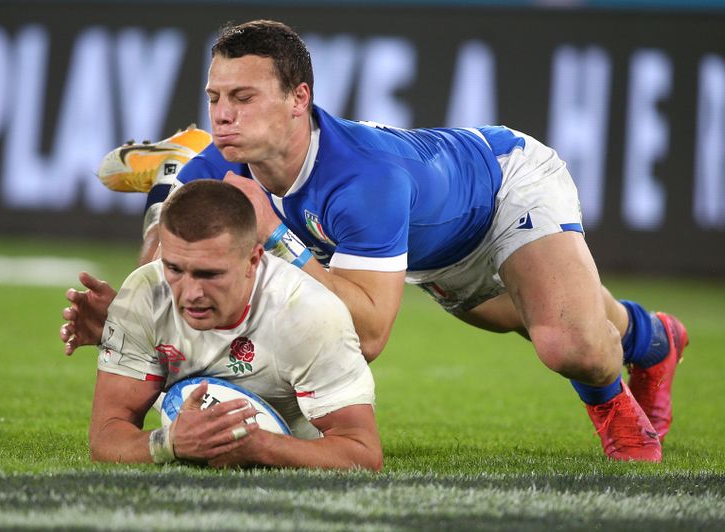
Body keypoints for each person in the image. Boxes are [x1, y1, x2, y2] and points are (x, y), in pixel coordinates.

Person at [64, 19, 688, 462]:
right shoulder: (218, 163)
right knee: (539, 315)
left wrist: (276, 232)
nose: (223, 115)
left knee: (566, 341)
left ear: (298, 100)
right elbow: (166, 269)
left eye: (244, 97)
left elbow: (366, 336)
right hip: (427, 249)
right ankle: (655, 339)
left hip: (503, 188)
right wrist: (124, 314)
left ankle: (616, 415)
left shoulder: (364, 180)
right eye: (216, 99)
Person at [81, 179, 381, 470]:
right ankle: (164, 190)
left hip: (295, 435)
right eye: (174, 268)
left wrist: (262, 445)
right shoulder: (146, 292)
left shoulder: (309, 312)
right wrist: (169, 442)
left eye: (210, 274)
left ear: (254, 260)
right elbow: (106, 437)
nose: (191, 293)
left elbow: (362, 452)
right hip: (176, 398)